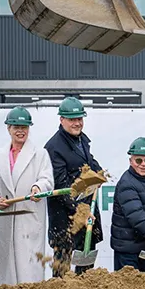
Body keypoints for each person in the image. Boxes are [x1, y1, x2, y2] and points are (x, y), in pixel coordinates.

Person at [0, 106, 54, 285]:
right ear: (8, 128)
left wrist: (38, 188)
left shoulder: (40, 155)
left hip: (29, 220)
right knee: (6, 272)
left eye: (24, 127)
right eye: (16, 127)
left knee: (29, 271)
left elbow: (47, 180)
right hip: (6, 220)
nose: (20, 131)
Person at [44, 97, 104, 276]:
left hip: (85, 215)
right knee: (63, 272)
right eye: (72, 119)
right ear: (61, 120)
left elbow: (89, 162)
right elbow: (62, 187)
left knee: (86, 273)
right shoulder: (54, 148)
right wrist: (82, 212)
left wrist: (99, 172)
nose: (77, 123)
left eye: (80, 119)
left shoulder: (81, 140)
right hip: (65, 220)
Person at [110, 137, 145, 273]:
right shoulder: (126, 183)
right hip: (127, 247)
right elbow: (136, 215)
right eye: (138, 160)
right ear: (131, 161)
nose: (143, 164)